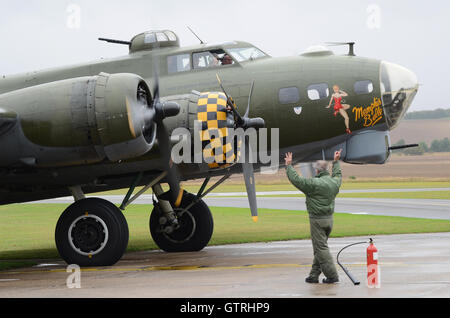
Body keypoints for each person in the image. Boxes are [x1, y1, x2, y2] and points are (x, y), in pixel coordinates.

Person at [284, 150, 343, 284]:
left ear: (317, 171)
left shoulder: (313, 185)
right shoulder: (334, 183)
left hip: (317, 220)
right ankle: (313, 275)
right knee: (320, 248)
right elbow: (338, 174)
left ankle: (332, 275)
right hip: (329, 220)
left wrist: (289, 166)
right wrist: (336, 161)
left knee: (321, 248)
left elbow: (296, 180)